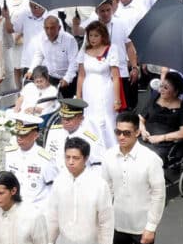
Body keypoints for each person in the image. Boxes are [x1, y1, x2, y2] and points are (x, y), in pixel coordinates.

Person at [104, 111, 168, 244]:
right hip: (118, 224)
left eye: (126, 133)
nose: (121, 137)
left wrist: (151, 226)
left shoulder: (150, 159)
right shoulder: (109, 156)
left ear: (137, 133)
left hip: (142, 225)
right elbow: (106, 190)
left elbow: (159, 194)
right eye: (117, 132)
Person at [76, 20, 122, 149]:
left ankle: (111, 148)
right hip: (88, 90)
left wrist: (117, 99)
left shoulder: (111, 49)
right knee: (89, 118)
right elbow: (81, 75)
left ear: (103, 36)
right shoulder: (84, 51)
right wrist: (78, 96)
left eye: (96, 35)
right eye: (90, 35)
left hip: (105, 90)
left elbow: (116, 76)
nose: (93, 38)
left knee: (106, 119)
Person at [2, 115, 56, 212]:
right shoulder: (10, 153)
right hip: (15, 209)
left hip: (37, 211)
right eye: (17, 134)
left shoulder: (45, 158)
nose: (19, 138)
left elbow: (53, 189)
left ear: (35, 135)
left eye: (24, 134)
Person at [139, 70, 183, 165]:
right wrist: (143, 130)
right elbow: (141, 117)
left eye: (165, 88)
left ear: (175, 91)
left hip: (167, 144)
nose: (161, 90)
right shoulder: (155, 96)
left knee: (150, 159)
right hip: (147, 138)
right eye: (161, 86)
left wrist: (161, 138)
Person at [44, 98, 105, 165]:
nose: (65, 121)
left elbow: (98, 164)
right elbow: (46, 157)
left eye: (69, 119)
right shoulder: (54, 131)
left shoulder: (89, 139)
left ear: (81, 118)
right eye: (63, 117)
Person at [33, 14, 79, 96]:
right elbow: (39, 55)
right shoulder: (41, 38)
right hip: (51, 78)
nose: (49, 31)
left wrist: (67, 79)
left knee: (69, 107)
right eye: (47, 28)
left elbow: (74, 62)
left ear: (59, 28)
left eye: (52, 28)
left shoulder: (69, 40)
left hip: (69, 79)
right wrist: (31, 70)